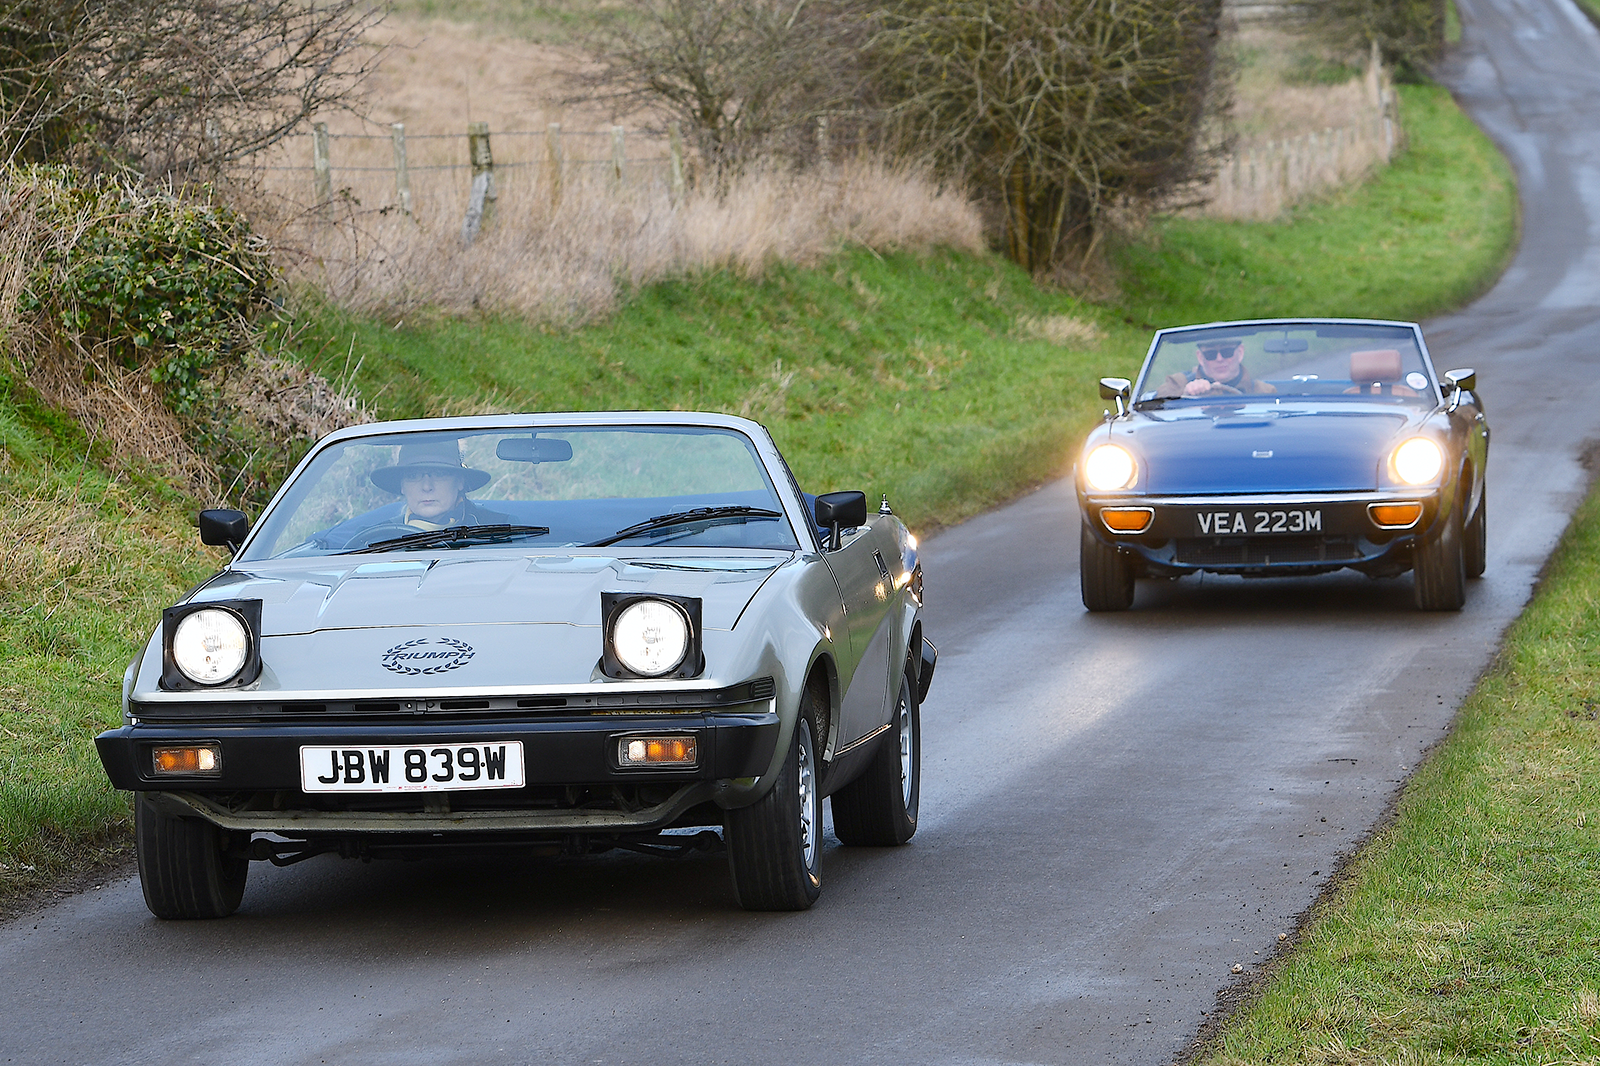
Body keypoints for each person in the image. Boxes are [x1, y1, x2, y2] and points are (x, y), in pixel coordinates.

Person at [369, 439, 509, 530]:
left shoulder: (501, 530)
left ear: (460, 481)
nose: (426, 486)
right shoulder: (374, 540)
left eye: (439, 474)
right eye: (413, 476)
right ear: (402, 486)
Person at [1157, 339, 1277, 398]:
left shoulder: (1263, 391)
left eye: (1227, 352)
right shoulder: (1178, 382)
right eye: (1211, 354)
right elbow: (1154, 405)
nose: (1219, 359)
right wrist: (1185, 395)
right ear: (1200, 357)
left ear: (1240, 352)